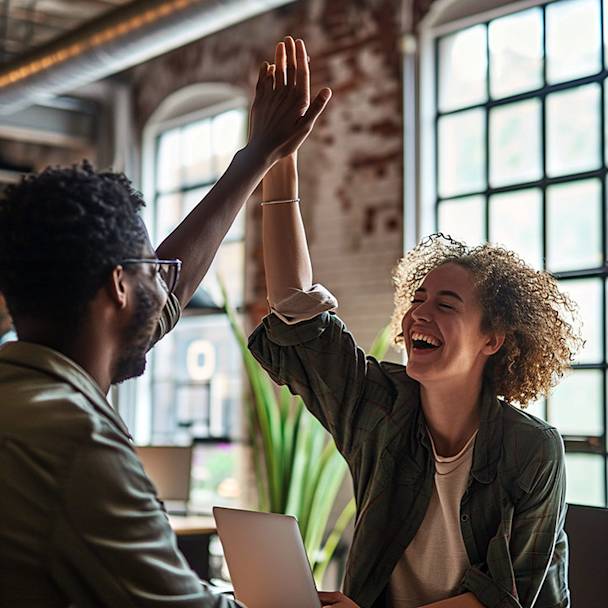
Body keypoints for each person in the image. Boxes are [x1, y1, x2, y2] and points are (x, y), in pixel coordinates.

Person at [0, 37, 331, 607]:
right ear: (119, 287)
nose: (166, 285)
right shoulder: (77, 444)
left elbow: (165, 297)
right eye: (153, 269)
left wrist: (257, 157)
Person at [248, 42, 581, 608]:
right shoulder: (378, 410)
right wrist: (280, 158)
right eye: (419, 297)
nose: (419, 313)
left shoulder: (531, 449)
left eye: (446, 304)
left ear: (493, 340)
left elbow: (502, 599)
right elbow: (295, 305)